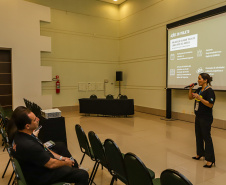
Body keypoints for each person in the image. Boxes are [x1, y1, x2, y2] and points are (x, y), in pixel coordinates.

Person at [11, 106, 89, 185]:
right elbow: (51, 164)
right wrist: (66, 163)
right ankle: (75, 169)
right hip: (41, 176)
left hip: (35, 169)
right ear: (27, 126)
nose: (38, 119)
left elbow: (43, 149)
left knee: (60, 147)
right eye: (34, 120)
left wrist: (62, 158)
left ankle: (75, 168)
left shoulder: (19, 135)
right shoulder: (30, 145)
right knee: (83, 175)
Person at [188, 73, 215, 168]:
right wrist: (191, 89)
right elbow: (190, 97)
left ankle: (210, 160)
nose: (198, 80)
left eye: (199, 79)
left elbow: (210, 104)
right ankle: (199, 154)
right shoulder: (199, 89)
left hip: (206, 118)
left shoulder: (209, 91)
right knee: (198, 136)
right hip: (198, 116)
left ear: (205, 80)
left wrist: (200, 98)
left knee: (206, 137)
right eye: (198, 78)